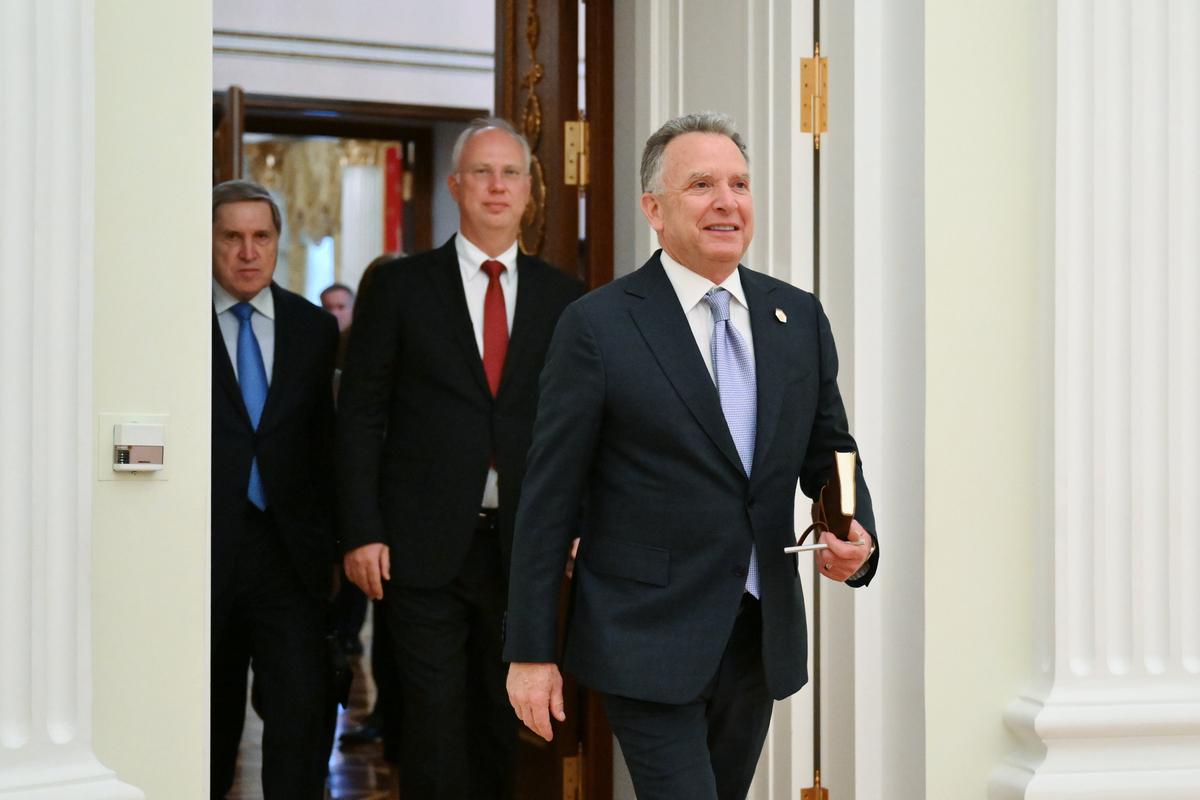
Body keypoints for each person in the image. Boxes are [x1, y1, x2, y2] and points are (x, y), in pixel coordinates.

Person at [503, 111, 880, 800]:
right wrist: (531, 652)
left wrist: (857, 535)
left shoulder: (797, 318)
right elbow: (549, 498)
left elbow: (831, 450)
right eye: (702, 185)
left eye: (739, 183)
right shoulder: (599, 326)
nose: (727, 202)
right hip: (643, 634)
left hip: (757, 635)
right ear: (654, 207)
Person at [336, 117, 584, 798]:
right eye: (482, 171)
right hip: (420, 548)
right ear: (455, 186)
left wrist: (580, 520)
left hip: (523, 551)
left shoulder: (567, 299)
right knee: (432, 725)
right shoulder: (401, 286)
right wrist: (361, 528)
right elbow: (359, 416)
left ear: (531, 189)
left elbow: (583, 427)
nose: (497, 185)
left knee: (499, 721)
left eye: (510, 173)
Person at [209, 180, 340, 799]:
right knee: (207, 722)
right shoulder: (173, 328)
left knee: (298, 719)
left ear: (278, 243)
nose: (247, 252)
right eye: (231, 237)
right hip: (203, 555)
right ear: (210, 242)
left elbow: (329, 445)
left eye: (261, 237)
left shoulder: (313, 329)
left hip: (292, 558)